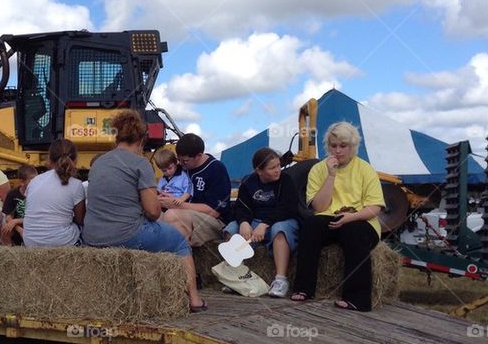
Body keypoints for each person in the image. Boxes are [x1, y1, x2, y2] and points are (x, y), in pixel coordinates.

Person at [82, 110, 206, 311]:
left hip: (91, 236)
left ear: (117, 136)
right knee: (179, 241)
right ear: (140, 140)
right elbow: (153, 213)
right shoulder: (140, 164)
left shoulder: (98, 163)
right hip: (125, 235)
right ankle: (194, 299)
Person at [291, 122, 385, 311]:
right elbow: (319, 207)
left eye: (343, 146)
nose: (338, 150)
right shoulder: (319, 169)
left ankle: (357, 299)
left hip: (360, 218)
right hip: (329, 217)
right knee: (311, 225)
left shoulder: (366, 169)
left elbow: (374, 208)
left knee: (354, 232)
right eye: (333, 146)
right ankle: (304, 288)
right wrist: (331, 175)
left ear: (353, 147)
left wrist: (351, 217)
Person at [227, 147, 300, 298]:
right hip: (255, 221)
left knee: (279, 230)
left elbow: (288, 208)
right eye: (272, 168)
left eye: (279, 166)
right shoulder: (248, 181)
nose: (277, 170)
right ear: (259, 171)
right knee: (231, 228)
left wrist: (265, 224)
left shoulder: (286, 181)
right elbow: (241, 206)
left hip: (280, 220)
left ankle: (281, 279)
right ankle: (237, 275)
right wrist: (244, 222)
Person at [161, 133, 232, 248]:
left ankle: (181, 261)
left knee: (172, 215)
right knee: (153, 215)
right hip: (183, 211)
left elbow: (214, 211)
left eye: (185, 161)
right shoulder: (180, 168)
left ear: (199, 155)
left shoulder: (216, 169)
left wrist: (176, 205)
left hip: (214, 221)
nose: (181, 164)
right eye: (179, 160)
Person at [23, 139, 86, 248]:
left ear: (49, 160)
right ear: (75, 160)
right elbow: (81, 220)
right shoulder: (76, 185)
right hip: (61, 242)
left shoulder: (34, 181)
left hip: (30, 241)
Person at [1, 165, 37, 245]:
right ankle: (9, 249)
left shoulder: (38, 193)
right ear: (22, 182)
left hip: (33, 223)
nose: (36, 183)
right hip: (18, 226)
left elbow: (38, 217)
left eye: (37, 180)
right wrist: (19, 229)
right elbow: (8, 216)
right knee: (5, 228)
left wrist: (16, 221)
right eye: (32, 180)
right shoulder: (12, 194)